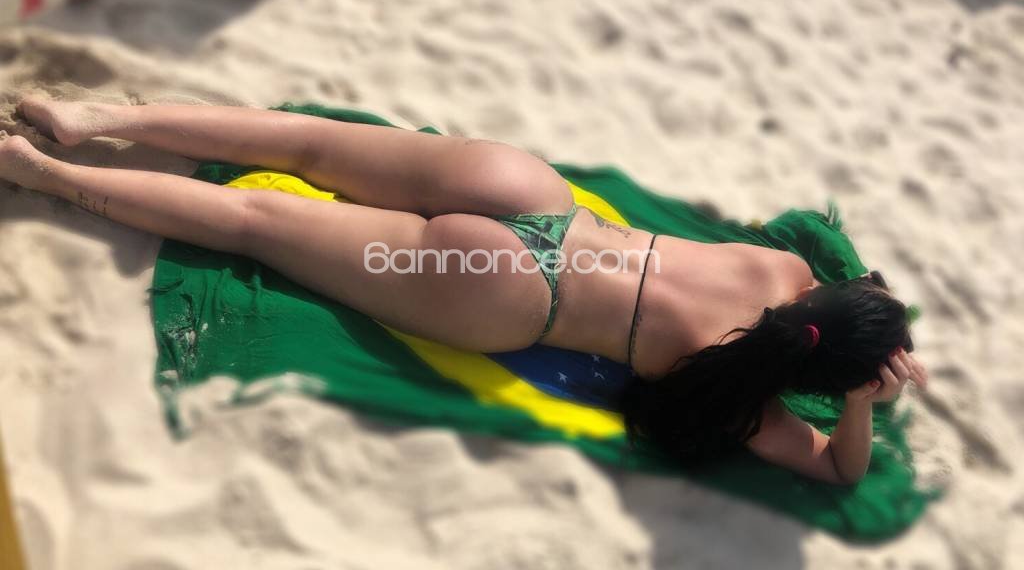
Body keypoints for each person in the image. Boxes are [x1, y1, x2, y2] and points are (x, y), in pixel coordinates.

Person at [0, 96, 927, 485]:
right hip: (512, 291)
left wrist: (870, 336)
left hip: (535, 199)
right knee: (254, 225)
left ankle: (92, 117)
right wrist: (860, 400)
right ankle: (46, 176)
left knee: (303, 142)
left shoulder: (785, 272)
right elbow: (840, 469)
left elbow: (853, 289)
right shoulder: (746, 395)